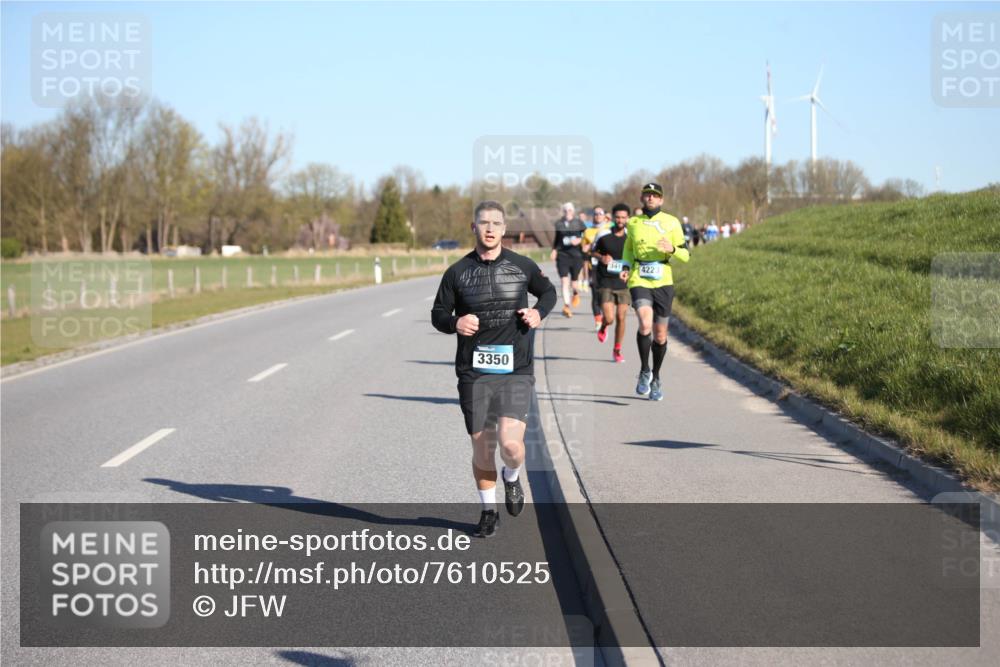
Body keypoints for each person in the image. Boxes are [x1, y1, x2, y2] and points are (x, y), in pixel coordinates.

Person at [432, 200, 557, 537]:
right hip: (474, 372)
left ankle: (512, 477)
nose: (489, 228)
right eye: (483, 223)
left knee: (511, 446)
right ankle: (489, 510)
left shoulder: (522, 266)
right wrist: (456, 322)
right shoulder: (456, 273)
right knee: (482, 446)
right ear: (473, 227)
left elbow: (548, 293)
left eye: (496, 223)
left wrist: (537, 314)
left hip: (515, 367)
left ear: (504, 229)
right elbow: (438, 314)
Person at [619, 183, 690, 401]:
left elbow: (686, 255)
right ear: (642, 198)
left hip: (664, 280)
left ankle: (656, 377)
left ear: (661, 200)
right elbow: (628, 249)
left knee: (660, 336)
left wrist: (672, 249)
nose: (650, 198)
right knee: (645, 324)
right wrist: (625, 266)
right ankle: (644, 371)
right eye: (647, 195)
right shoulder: (633, 223)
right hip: (640, 277)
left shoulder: (671, 222)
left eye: (655, 195)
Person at [593, 203, 631, 362]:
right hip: (606, 281)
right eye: (618, 217)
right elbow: (593, 251)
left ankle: (617, 349)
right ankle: (603, 327)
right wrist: (602, 257)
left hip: (623, 282)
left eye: (623, 217)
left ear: (628, 218)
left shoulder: (632, 237)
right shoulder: (603, 235)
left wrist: (630, 271)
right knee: (609, 318)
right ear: (612, 218)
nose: (620, 220)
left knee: (622, 317)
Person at [549, 202, 585, 317]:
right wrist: (554, 250)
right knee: (564, 281)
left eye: (569, 210)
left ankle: (575, 293)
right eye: (565, 210)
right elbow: (557, 239)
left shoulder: (579, 222)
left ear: (573, 212)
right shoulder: (559, 223)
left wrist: (580, 240)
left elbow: (586, 235)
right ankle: (566, 306)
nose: (567, 212)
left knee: (574, 282)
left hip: (576, 255)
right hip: (562, 255)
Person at [582, 206, 611, 330]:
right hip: (593, 266)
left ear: (605, 216)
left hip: (607, 266)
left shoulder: (609, 230)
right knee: (595, 293)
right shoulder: (588, 231)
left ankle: (607, 316)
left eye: (600, 213)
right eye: (595, 214)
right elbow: (583, 250)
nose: (598, 215)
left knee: (606, 293)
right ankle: (598, 319)